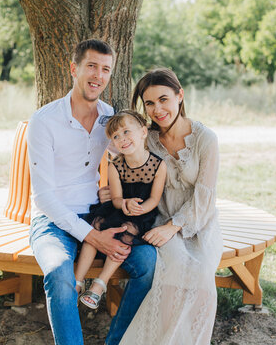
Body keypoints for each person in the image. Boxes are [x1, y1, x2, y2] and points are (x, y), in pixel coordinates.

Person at [26, 39, 156, 345]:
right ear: (74, 69)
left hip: (101, 215)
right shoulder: (44, 121)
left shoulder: (109, 119)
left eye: (105, 69)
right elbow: (43, 197)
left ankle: (116, 342)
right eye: (91, 66)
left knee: (148, 263)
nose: (98, 75)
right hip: (53, 219)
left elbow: (129, 156)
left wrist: (115, 194)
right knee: (59, 272)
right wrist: (91, 235)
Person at [119, 68, 224, 345]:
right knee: (173, 268)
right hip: (159, 219)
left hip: (198, 220)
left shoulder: (205, 139)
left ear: (180, 95)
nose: (157, 109)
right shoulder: (147, 139)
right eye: (150, 103)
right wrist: (112, 189)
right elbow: (123, 166)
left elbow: (205, 197)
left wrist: (174, 226)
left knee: (202, 276)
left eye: (164, 99)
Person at [75, 110, 167, 310]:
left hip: (141, 214)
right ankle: (77, 281)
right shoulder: (115, 165)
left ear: (143, 132)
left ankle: (100, 284)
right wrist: (124, 203)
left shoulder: (158, 165)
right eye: (116, 137)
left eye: (126, 132)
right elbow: (115, 198)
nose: (122, 139)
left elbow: (154, 198)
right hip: (117, 209)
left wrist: (140, 209)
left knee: (127, 232)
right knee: (96, 228)